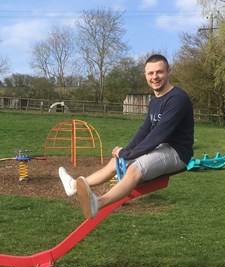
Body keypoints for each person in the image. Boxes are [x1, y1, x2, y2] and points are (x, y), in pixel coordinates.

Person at [59, 54, 194, 219]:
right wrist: (126, 151)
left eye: (159, 72)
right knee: (115, 162)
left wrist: (129, 154)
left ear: (168, 72)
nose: (155, 77)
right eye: (150, 73)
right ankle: (73, 186)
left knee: (135, 168)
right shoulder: (154, 101)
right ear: (145, 75)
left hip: (177, 152)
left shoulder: (177, 99)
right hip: (162, 146)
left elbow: (158, 135)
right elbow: (145, 130)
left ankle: (97, 203)